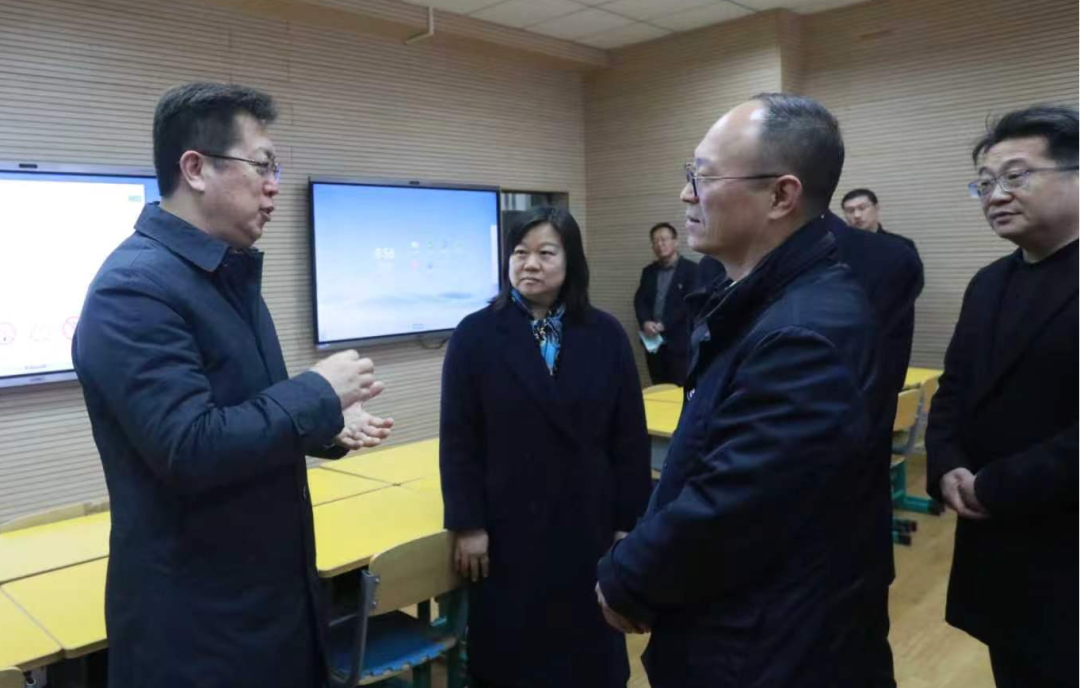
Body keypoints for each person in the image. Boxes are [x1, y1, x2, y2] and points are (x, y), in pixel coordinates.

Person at [72, 82, 393, 688]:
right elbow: (189, 446)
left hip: (268, 605)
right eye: (262, 165)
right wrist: (317, 395)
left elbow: (244, 416)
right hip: (200, 629)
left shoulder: (224, 274)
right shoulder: (134, 289)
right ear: (195, 169)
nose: (274, 186)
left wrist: (326, 424)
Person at [596, 93, 887, 688]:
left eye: (702, 177)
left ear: (781, 196)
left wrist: (627, 576)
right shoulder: (766, 299)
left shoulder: (805, 328)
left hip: (767, 648)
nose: (685, 195)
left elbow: (734, 503)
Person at [440, 206, 651, 688]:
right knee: (512, 658)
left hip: (588, 522)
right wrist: (468, 523)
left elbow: (628, 439)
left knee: (588, 657)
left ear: (571, 260)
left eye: (545, 253)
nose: (529, 264)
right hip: (508, 524)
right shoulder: (475, 334)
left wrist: (629, 524)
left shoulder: (605, 333)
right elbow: (459, 438)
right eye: (520, 252)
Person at [926, 104, 1080, 688]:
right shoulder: (989, 282)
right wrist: (945, 463)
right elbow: (954, 386)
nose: (996, 195)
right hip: (997, 546)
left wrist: (997, 485)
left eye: (1016, 177)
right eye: (985, 183)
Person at [633, 222, 699, 386]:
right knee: (658, 388)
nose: (659, 244)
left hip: (680, 344)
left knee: (681, 390)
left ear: (676, 242)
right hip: (653, 343)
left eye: (664, 239)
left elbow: (690, 304)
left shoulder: (692, 270)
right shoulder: (648, 271)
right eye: (655, 241)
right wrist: (645, 321)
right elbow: (640, 300)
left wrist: (664, 324)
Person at [841, 187, 920, 255]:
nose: (856, 215)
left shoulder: (902, 245)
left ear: (876, 207)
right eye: (850, 210)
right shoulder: (838, 247)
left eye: (862, 208)